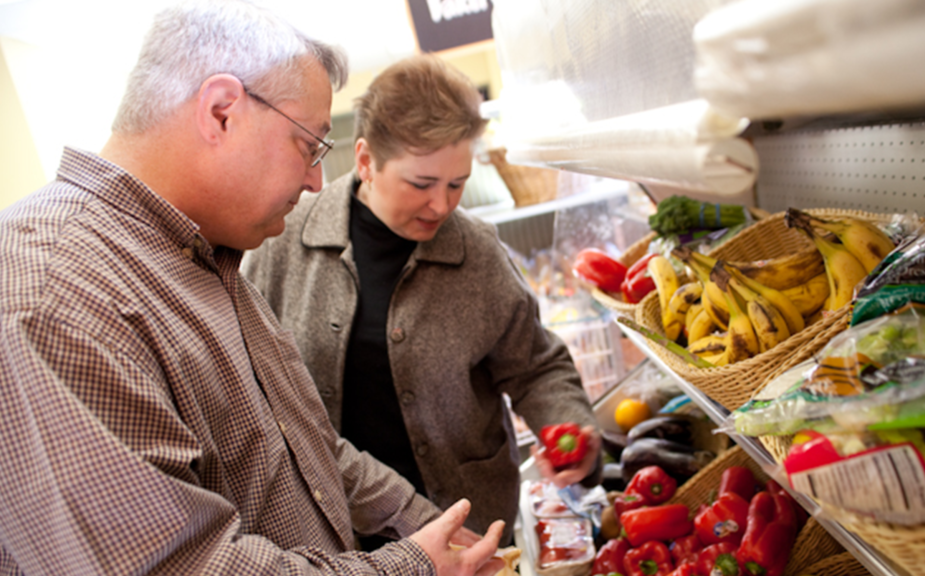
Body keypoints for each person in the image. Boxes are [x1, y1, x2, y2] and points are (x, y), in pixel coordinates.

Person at [0, 2, 507, 574]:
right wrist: (412, 566)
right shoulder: (54, 293)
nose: (317, 180)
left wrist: (420, 522)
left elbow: (305, 448)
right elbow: (180, 566)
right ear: (221, 112)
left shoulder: (204, 256)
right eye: (310, 145)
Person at [241, 54, 602, 548]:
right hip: (333, 539)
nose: (442, 205)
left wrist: (571, 426)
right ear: (366, 161)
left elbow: (535, 367)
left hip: (467, 530)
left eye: (457, 184)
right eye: (422, 184)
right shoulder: (282, 243)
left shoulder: (476, 253)